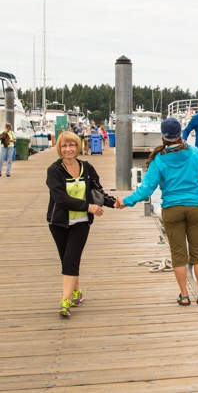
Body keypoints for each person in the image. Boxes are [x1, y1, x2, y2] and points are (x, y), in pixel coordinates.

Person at [118, 118, 198, 304]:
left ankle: (184, 295)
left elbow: (146, 190)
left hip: (172, 208)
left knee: (178, 255)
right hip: (195, 207)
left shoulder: (158, 159)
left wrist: (125, 201)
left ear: (163, 136)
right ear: (180, 134)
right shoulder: (194, 153)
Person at [47, 131, 118, 316]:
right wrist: (89, 207)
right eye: (64, 146)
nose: (68, 149)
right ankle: (76, 292)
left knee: (71, 259)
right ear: (59, 149)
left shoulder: (87, 168)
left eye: (71, 145)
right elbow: (60, 199)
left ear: (78, 146)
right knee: (67, 260)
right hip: (59, 222)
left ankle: (65, 301)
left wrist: (114, 202)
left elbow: (97, 192)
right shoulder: (54, 170)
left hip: (81, 222)